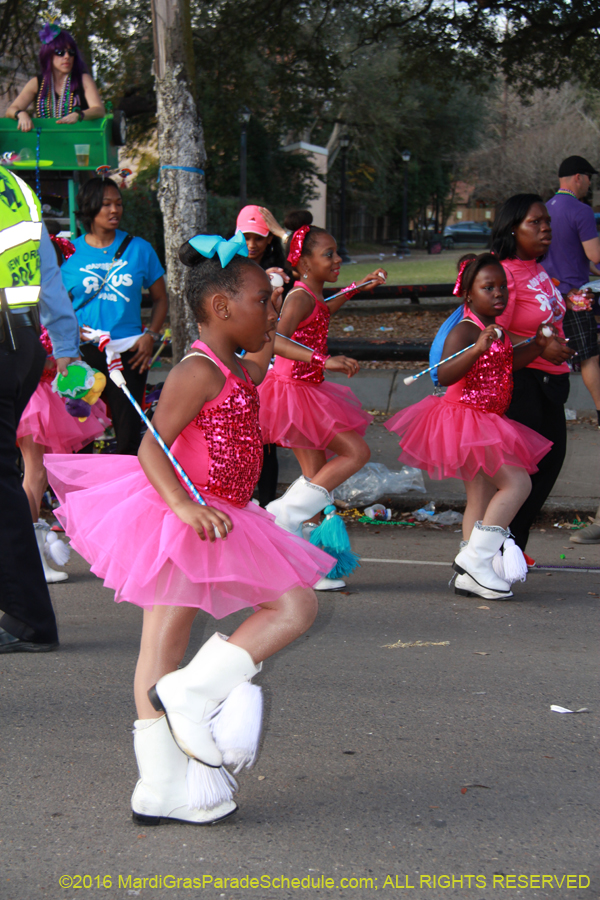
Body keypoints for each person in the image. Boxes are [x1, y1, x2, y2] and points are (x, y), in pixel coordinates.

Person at [45, 235, 336, 825]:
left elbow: (269, 346)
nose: (273, 312)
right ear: (222, 308)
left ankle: (173, 746)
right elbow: (152, 447)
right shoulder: (197, 370)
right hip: (188, 518)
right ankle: (171, 758)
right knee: (182, 641)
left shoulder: (239, 365)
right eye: (263, 301)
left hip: (228, 514)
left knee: (277, 611)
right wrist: (182, 506)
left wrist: (298, 341)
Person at [385, 253, 555, 601]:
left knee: (479, 496)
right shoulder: (466, 329)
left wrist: (537, 345)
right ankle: (475, 560)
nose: (498, 293)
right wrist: (477, 348)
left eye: (502, 287)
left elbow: (507, 364)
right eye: (488, 287)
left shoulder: (496, 329)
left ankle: (471, 575)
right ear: (468, 293)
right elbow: (443, 374)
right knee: (517, 483)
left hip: (487, 420)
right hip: (466, 418)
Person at [258, 225, 386, 589]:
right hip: (293, 392)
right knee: (355, 453)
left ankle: (305, 565)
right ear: (304, 263)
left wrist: (357, 288)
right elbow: (274, 340)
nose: (337, 259)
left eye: (336, 252)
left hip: (307, 391)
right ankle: (283, 513)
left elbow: (323, 311)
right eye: (328, 254)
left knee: (316, 479)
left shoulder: (311, 295)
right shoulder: (298, 297)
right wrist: (322, 359)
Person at [0, 165, 80, 654]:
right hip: (22, 338)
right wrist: (65, 343)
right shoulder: (15, 187)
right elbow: (48, 276)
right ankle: (27, 617)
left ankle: (30, 621)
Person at [16, 234, 109, 583]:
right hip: (36, 398)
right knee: (35, 476)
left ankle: (39, 553)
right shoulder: (38, 301)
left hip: (40, 395)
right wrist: (63, 355)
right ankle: (30, 557)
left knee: (44, 476)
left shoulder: (27, 299)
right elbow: (46, 350)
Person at [60, 176, 168, 454]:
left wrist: (151, 335)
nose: (114, 210)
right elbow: (56, 304)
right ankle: (83, 483)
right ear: (90, 207)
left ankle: (127, 481)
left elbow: (161, 298)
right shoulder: (70, 253)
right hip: (82, 352)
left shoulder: (140, 249)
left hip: (130, 351)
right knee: (80, 435)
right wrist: (68, 332)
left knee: (128, 436)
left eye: (118, 203)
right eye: (106, 204)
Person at [491, 194, 574, 554]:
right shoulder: (504, 274)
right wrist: (541, 346)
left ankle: (507, 548)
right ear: (513, 228)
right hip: (523, 382)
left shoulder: (536, 268)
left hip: (551, 382)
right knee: (523, 477)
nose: (545, 228)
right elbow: (493, 334)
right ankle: (497, 551)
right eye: (535, 222)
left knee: (547, 468)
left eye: (547, 222)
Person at [235, 205, 291, 506]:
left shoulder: (281, 275)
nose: (252, 244)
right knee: (235, 437)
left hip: (265, 361)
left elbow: (310, 261)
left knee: (265, 441)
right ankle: (238, 502)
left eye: (259, 237)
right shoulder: (225, 269)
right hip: (230, 359)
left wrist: (284, 234)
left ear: (269, 240)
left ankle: (268, 507)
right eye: (246, 237)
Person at [543, 156, 600, 428]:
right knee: (589, 357)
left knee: (552, 352)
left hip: (545, 295)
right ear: (579, 177)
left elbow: (569, 254)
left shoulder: (543, 209)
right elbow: (595, 254)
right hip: (575, 295)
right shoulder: (581, 210)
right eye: (589, 178)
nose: (590, 184)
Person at [6, 23, 104, 131]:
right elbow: (11, 109)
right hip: (47, 139)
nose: (67, 56)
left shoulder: (83, 79)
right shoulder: (36, 83)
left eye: (71, 52)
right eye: (60, 52)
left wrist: (78, 115)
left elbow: (99, 110)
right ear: (48, 55)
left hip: (79, 139)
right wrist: (21, 114)